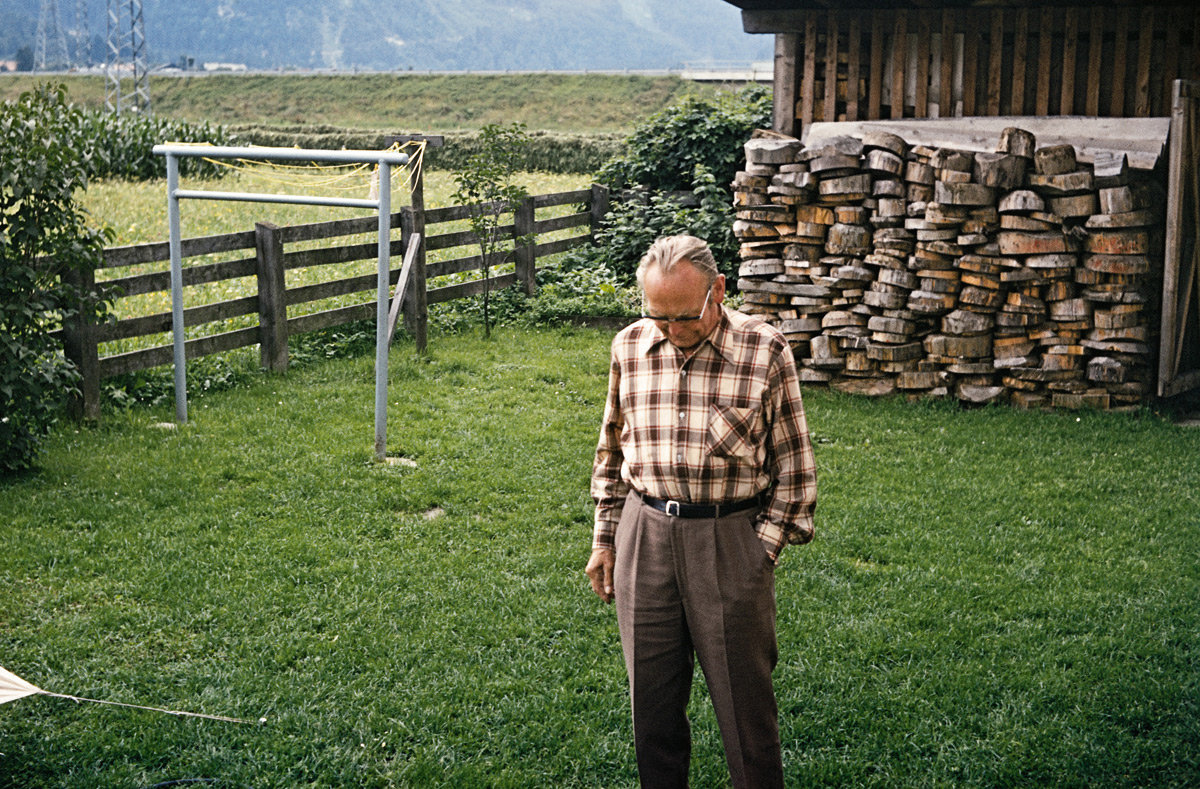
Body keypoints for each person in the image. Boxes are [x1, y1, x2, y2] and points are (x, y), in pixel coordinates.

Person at [585, 234, 818, 788]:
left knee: (745, 712)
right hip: (643, 536)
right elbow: (611, 450)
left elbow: (796, 470)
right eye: (658, 316)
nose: (672, 329)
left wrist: (759, 551)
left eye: (685, 316)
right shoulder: (629, 347)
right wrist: (606, 538)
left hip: (729, 539)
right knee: (652, 710)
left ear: (718, 290)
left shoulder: (764, 350)